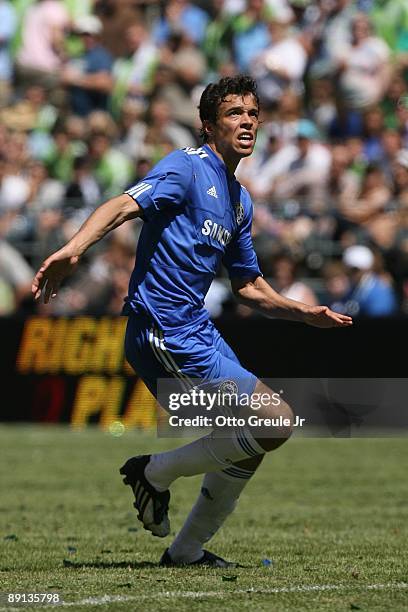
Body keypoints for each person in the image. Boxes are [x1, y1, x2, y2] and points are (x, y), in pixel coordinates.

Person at [32, 75, 352, 568]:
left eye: (252, 113)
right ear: (209, 125)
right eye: (233, 114)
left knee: (247, 443)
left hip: (196, 329)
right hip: (160, 329)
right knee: (275, 421)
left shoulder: (239, 200)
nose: (247, 122)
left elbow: (248, 286)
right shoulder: (185, 167)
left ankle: (185, 551)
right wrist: (73, 249)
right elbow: (122, 204)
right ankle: (153, 473)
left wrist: (301, 312)